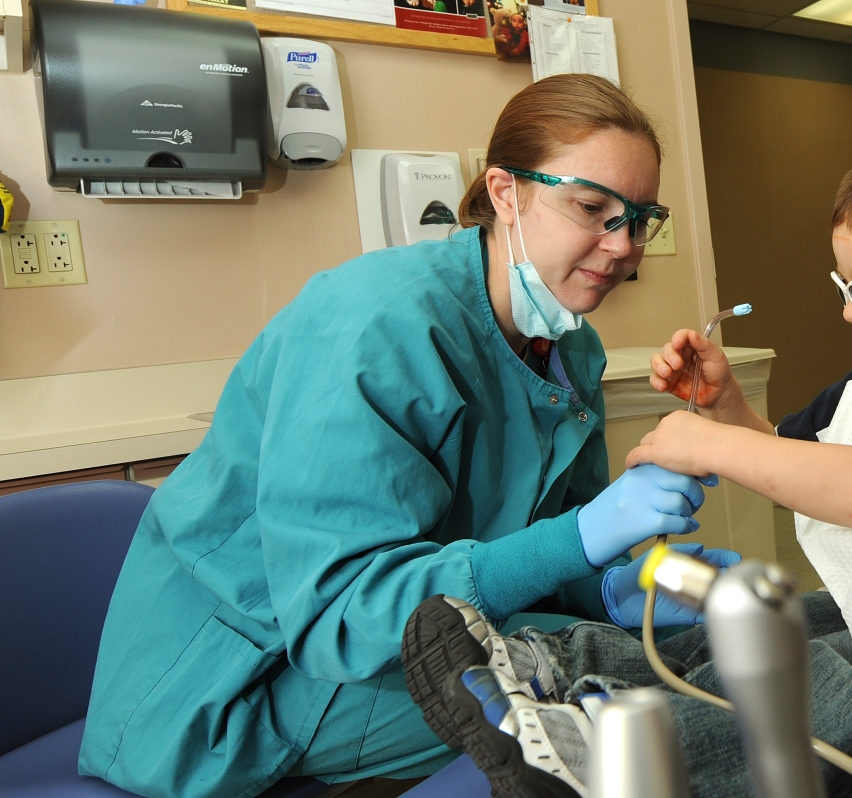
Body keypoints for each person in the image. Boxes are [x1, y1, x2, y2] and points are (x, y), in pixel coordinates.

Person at [400, 122, 852, 798]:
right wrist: (724, 406)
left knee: (846, 684)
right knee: (782, 625)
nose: (850, 314)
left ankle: (608, 760)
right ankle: (557, 666)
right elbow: (790, 459)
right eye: (843, 289)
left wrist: (713, 442)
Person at [78, 74, 738, 798]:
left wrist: (609, 588)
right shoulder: (373, 327)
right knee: (627, 701)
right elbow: (343, 618)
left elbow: (533, 552)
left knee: (696, 644)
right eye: (592, 208)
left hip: (416, 635)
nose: (624, 246)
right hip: (240, 689)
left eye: (641, 217)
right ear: (505, 191)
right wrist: (582, 538)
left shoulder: (568, 349)